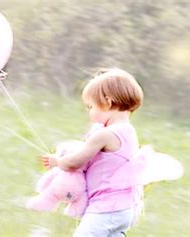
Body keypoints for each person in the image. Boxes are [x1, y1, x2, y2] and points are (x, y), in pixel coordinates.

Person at [41, 68, 144, 237]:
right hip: (125, 208)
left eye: (91, 106)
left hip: (106, 208)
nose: (89, 112)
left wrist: (57, 161)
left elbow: (75, 162)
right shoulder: (129, 131)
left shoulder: (105, 135)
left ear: (108, 102)